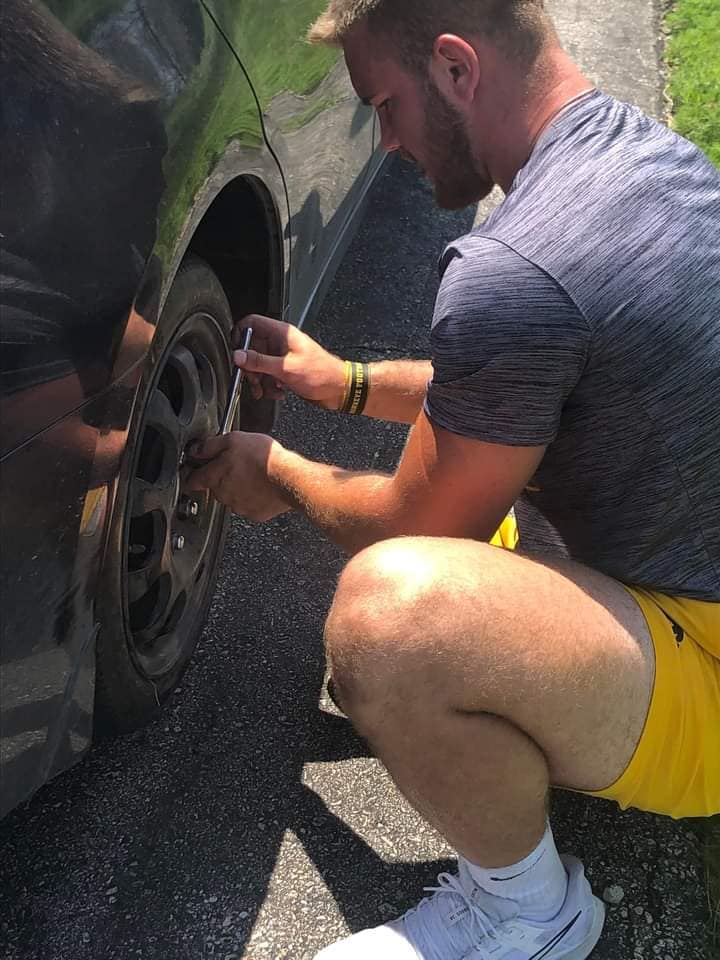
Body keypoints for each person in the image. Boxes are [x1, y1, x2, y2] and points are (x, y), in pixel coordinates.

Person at [187, 0, 720, 956]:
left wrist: (282, 472)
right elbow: (516, 382)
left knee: (388, 623)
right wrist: (342, 383)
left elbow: (410, 532)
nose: (385, 143)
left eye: (384, 106)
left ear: (454, 68)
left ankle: (530, 912)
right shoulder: (634, 159)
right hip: (682, 577)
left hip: (708, 666)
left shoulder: (515, 269)